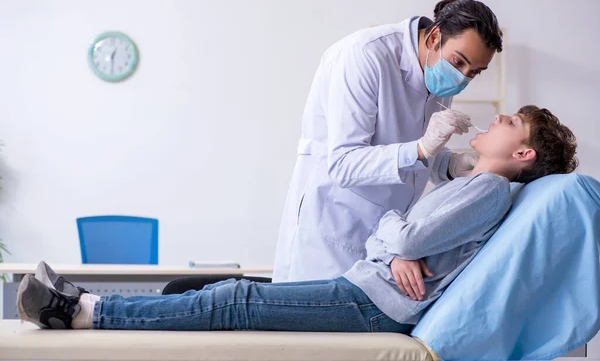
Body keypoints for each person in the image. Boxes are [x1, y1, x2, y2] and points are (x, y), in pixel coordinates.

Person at [17, 105, 578, 332]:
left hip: (375, 303)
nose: (495, 118)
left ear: (522, 154)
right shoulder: (475, 183)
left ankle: (81, 311)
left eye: (509, 122)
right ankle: (90, 302)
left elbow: (402, 230)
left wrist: (395, 241)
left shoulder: (488, 190)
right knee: (217, 292)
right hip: (369, 288)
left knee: (232, 300)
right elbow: (411, 233)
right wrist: (401, 241)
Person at [274, 0, 505, 282]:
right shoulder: (364, 55)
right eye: (459, 63)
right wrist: (422, 149)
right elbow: (344, 164)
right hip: (334, 230)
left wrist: (448, 165)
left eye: (475, 72)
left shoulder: (441, 72)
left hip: (388, 240)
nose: (462, 78)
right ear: (434, 37)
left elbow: (408, 153)